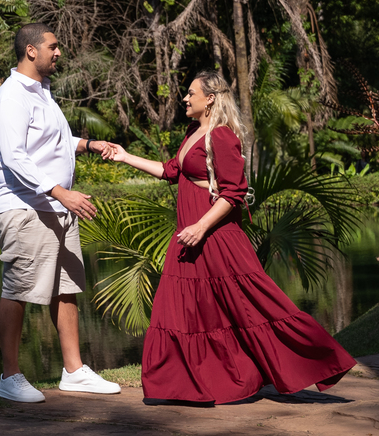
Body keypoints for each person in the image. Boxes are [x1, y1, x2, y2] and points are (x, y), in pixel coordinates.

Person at [108, 71, 356, 404]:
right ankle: (195, 384)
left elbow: (234, 192)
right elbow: (171, 171)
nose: (185, 98)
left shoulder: (222, 136)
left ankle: (318, 359)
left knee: (253, 306)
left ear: (209, 98)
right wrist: (125, 157)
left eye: (191, 92)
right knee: (186, 313)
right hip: (190, 239)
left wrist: (201, 226)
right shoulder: (194, 132)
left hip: (216, 237)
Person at [0, 22, 122, 402]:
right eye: (53, 46)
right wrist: (60, 192)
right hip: (26, 206)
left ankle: (74, 371)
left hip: (55, 205)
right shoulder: (11, 96)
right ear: (31, 50)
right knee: (18, 288)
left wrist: (90, 144)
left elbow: (56, 141)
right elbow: (15, 157)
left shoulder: (43, 93)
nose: (58, 52)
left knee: (65, 288)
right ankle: (9, 376)